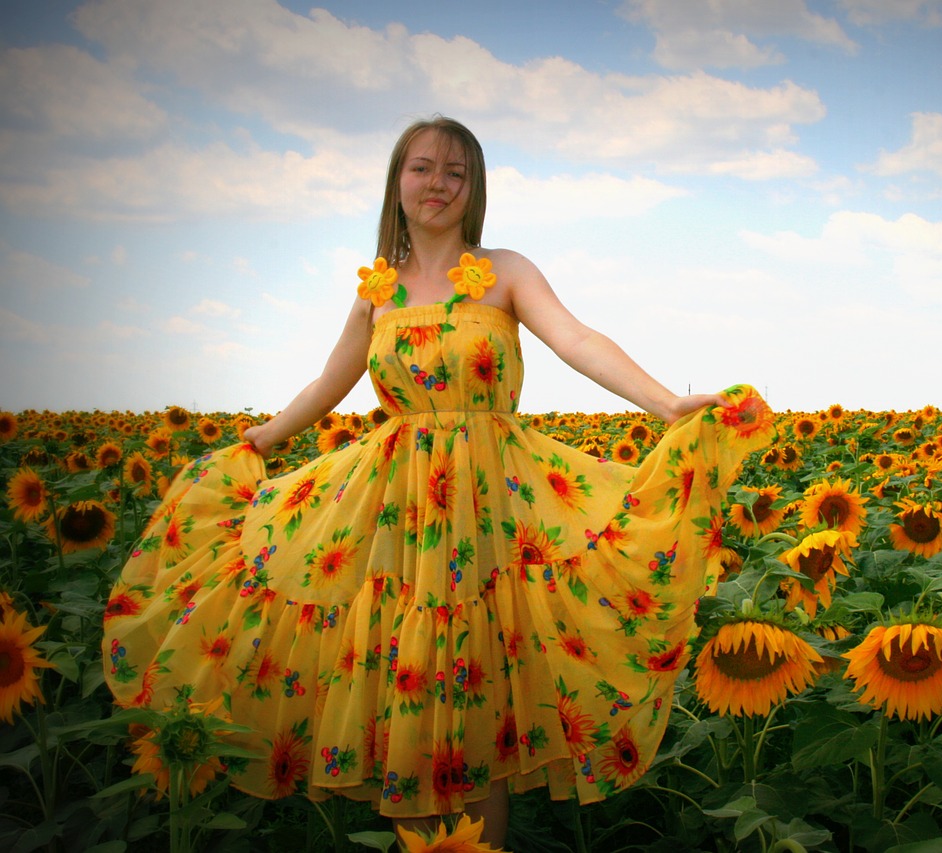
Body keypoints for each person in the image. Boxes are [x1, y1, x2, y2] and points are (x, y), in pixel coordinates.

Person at [103, 116, 772, 847]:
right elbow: (333, 380)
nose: (439, 184)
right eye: (424, 168)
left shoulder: (507, 270)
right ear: (397, 181)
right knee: (407, 679)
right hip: (396, 511)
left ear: (474, 190)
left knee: (477, 674)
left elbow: (577, 338)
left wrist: (667, 401)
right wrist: (262, 438)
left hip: (492, 503)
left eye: (457, 172)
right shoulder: (376, 290)